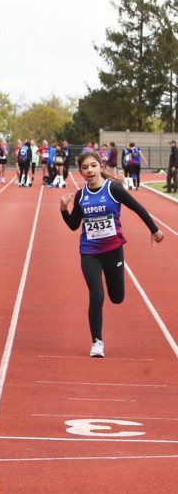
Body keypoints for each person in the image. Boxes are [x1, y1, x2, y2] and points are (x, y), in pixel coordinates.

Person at [59, 150, 163, 357]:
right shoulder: (81, 195)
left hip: (114, 251)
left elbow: (138, 208)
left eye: (93, 166)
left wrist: (154, 230)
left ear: (100, 166)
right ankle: (97, 342)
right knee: (96, 294)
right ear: (80, 171)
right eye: (85, 167)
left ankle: (114, 288)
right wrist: (63, 209)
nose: (90, 170)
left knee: (117, 298)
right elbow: (73, 226)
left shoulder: (113, 189)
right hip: (90, 252)